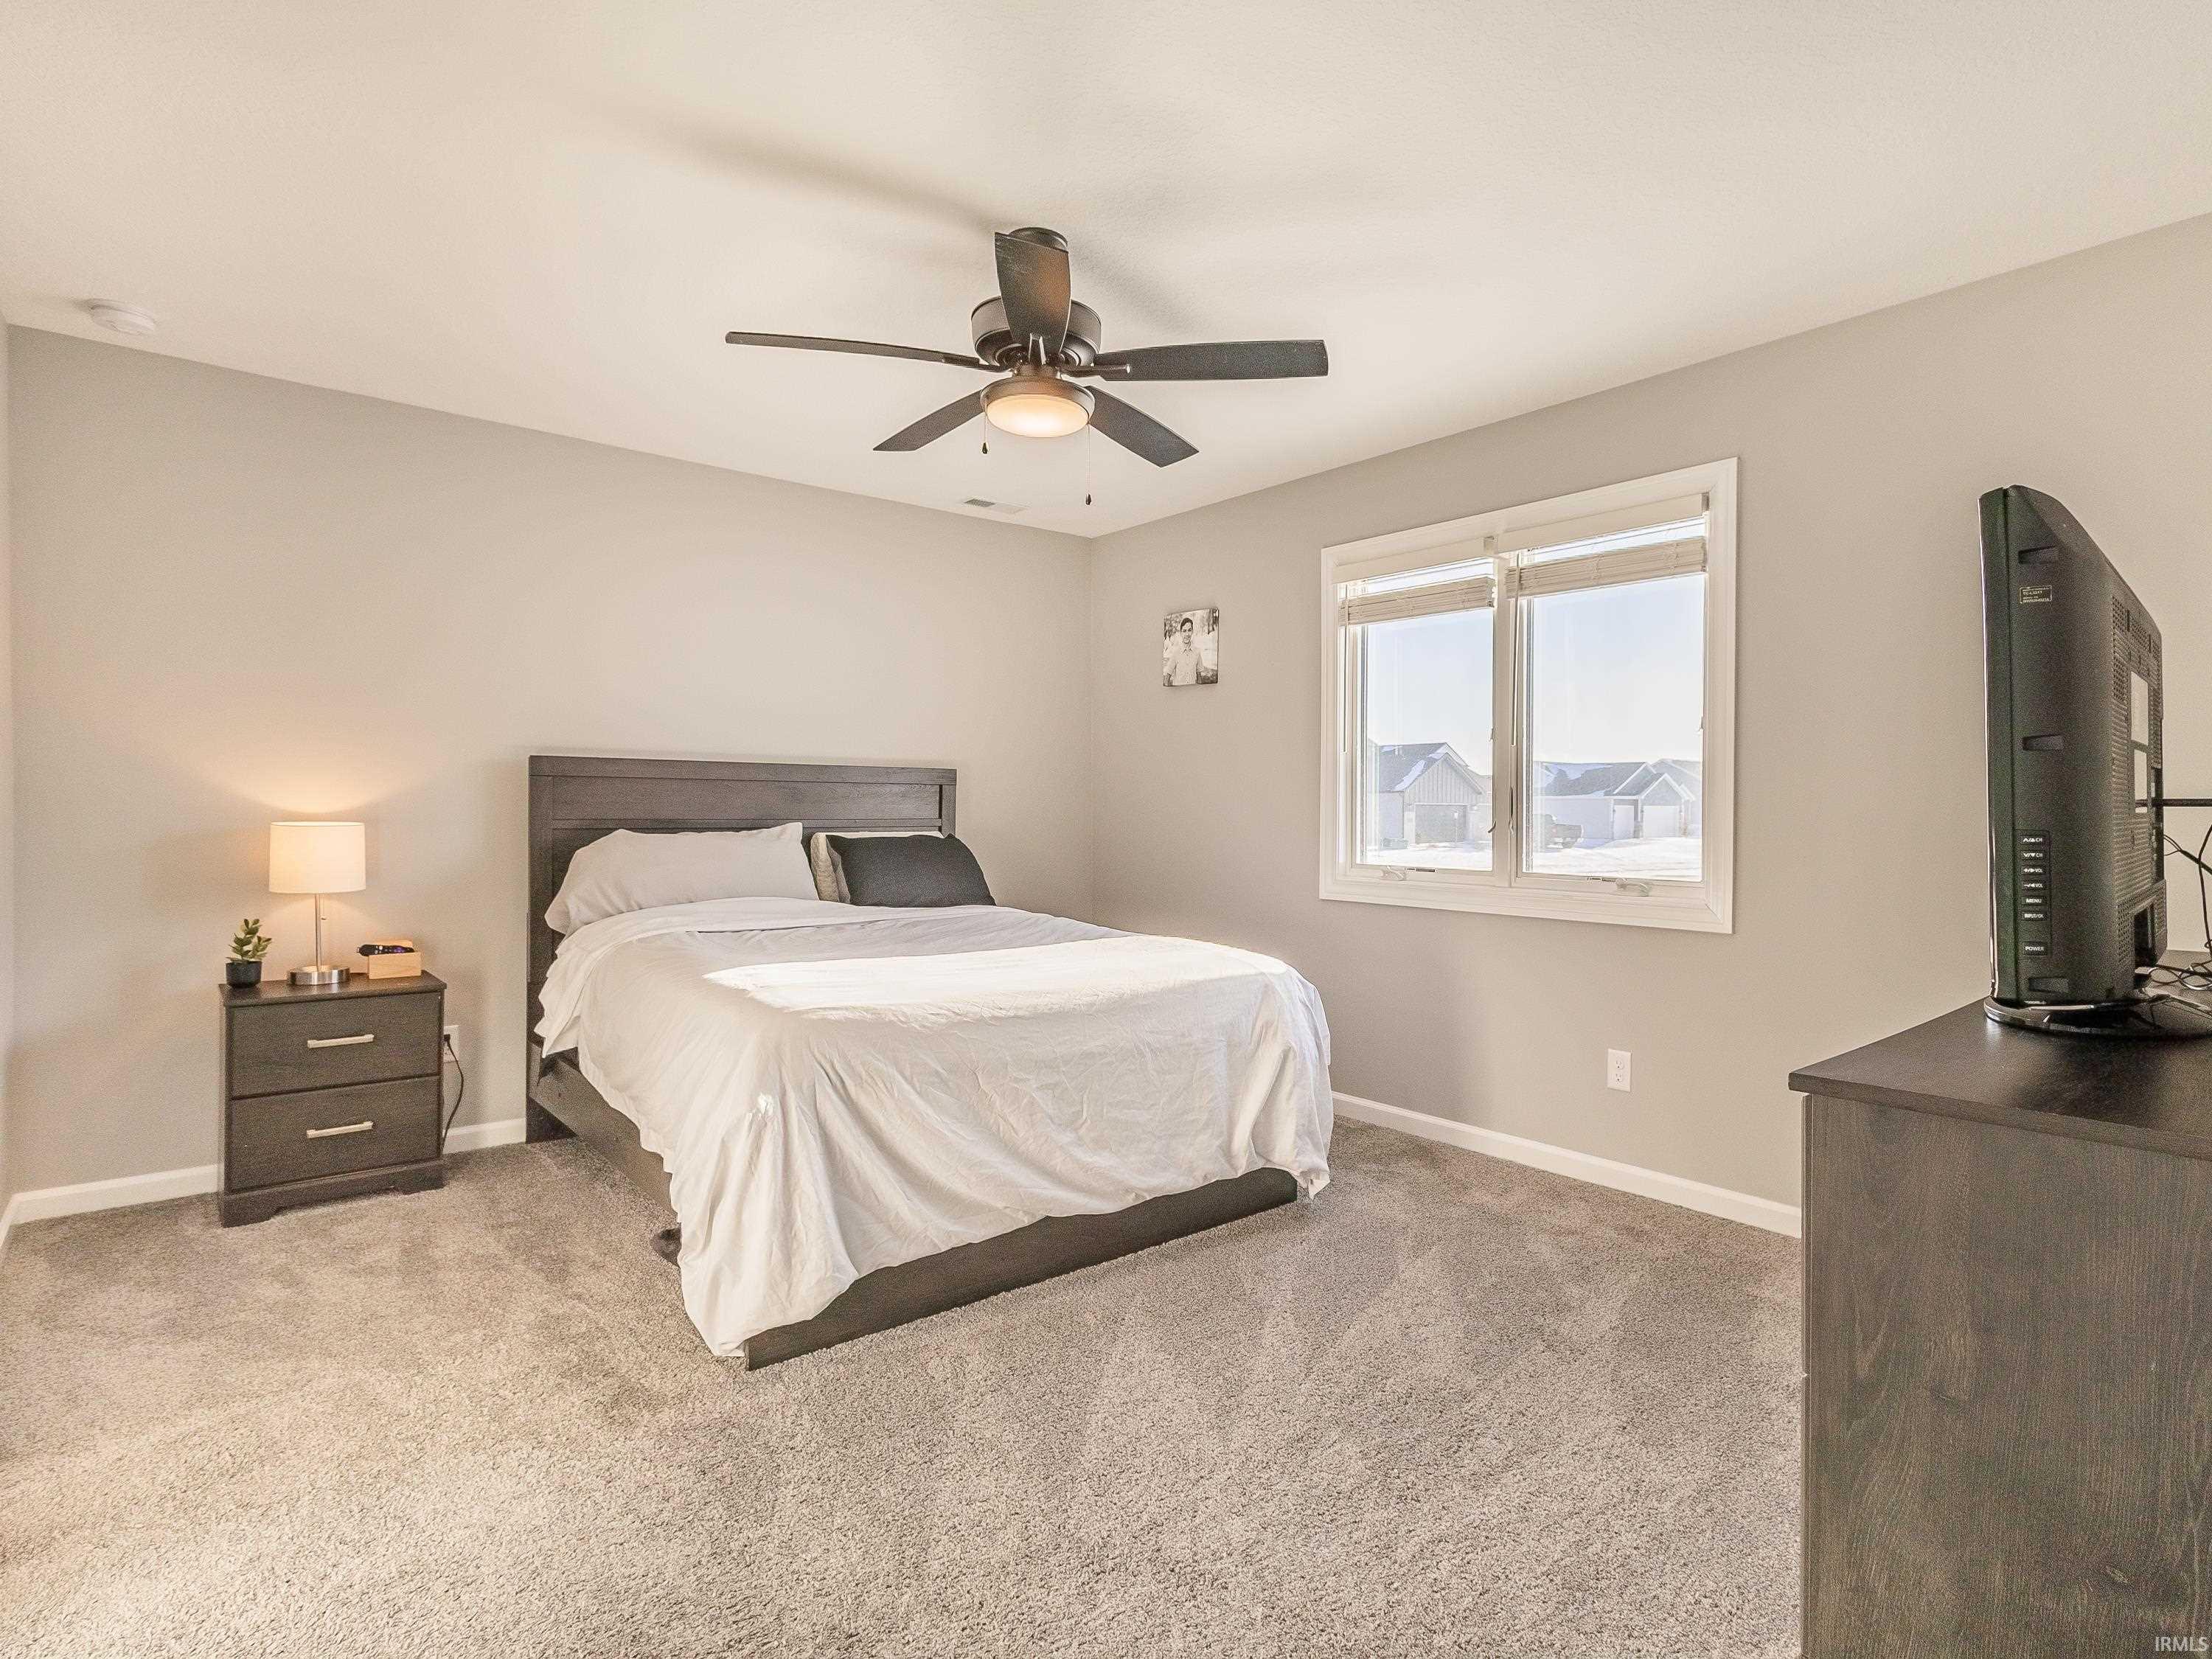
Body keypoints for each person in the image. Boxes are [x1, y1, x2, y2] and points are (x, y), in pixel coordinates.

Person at [1164, 613, 1203, 686]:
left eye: (1189, 630)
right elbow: (1167, 677)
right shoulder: (1175, 653)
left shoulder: (1197, 652)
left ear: (1192, 631)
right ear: (1181, 633)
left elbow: (1199, 677)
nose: (1187, 634)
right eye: (1184, 631)